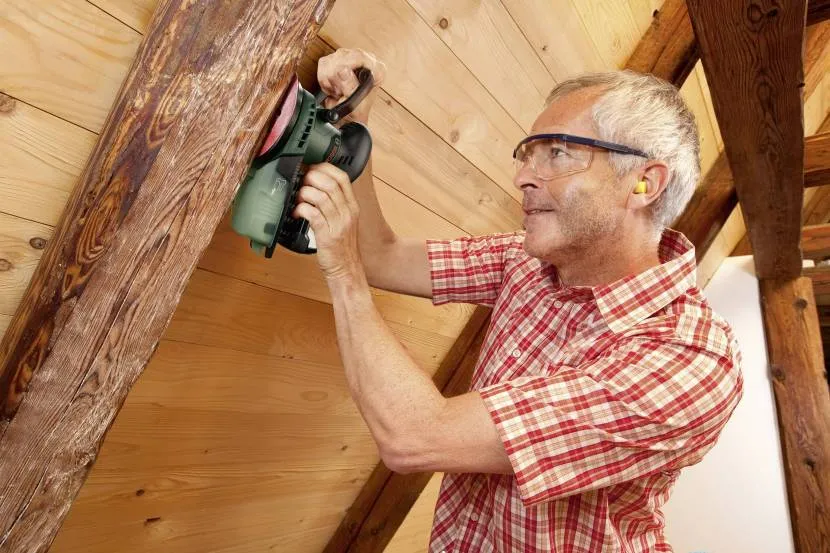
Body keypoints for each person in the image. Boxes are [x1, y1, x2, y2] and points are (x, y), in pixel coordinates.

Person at [297, 47, 744, 552]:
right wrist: (359, 122)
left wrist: (341, 272)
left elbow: (416, 436)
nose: (522, 177)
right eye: (529, 153)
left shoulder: (690, 361)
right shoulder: (526, 259)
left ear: (645, 182)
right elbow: (380, 257)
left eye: (558, 153)